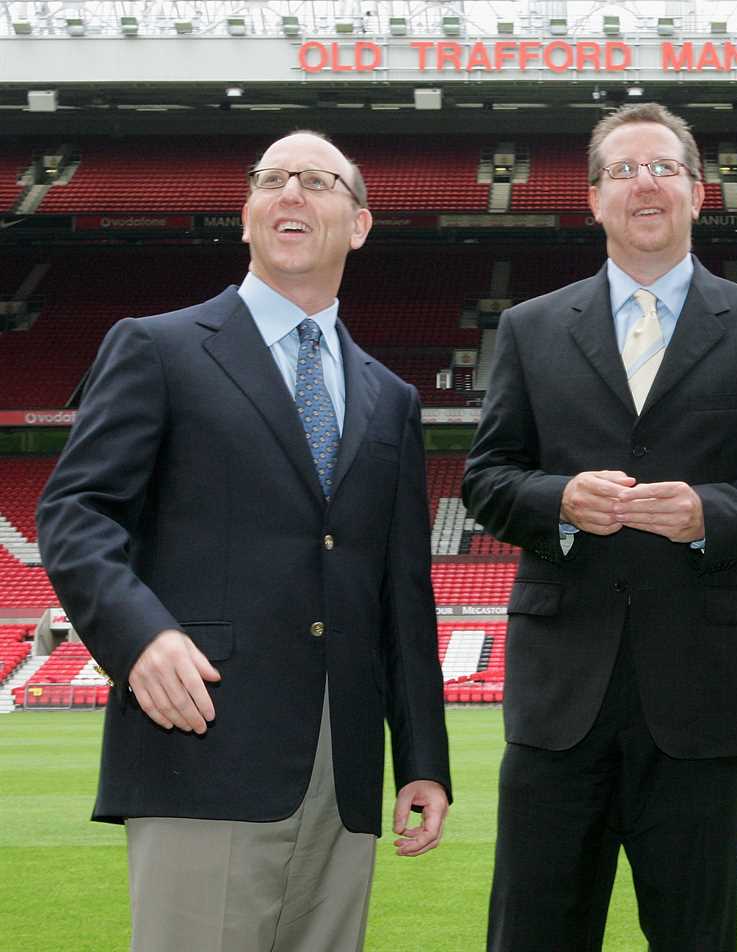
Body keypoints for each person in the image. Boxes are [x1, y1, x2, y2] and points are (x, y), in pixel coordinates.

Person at [37, 131, 451, 952]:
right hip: (203, 741)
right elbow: (76, 511)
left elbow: (400, 592)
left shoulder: (391, 397)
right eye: (271, 180)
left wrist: (423, 756)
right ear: (247, 216)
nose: (290, 193)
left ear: (360, 224)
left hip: (345, 767)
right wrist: (141, 636)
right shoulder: (155, 346)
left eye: (317, 181)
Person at [463, 102, 737, 951]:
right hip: (561, 699)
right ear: (592, 198)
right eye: (625, 169)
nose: (646, 183)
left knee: (695, 935)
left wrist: (713, 513)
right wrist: (558, 500)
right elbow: (485, 480)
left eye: (664, 167)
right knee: (534, 933)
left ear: (698, 193)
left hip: (704, 697)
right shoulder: (528, 329)